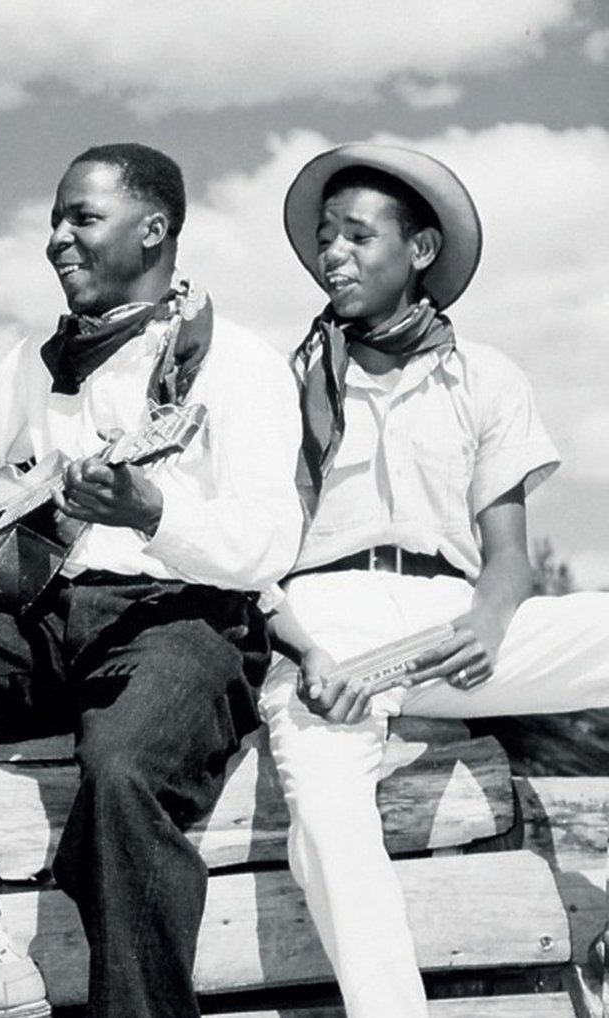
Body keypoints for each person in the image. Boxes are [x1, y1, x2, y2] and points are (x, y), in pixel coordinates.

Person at [0, 143, 303, 1018]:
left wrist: (155, 514)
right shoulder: (37, 359)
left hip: (184, 624)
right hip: (49, 616)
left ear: (153, 229)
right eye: (55, 221)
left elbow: (270, 543)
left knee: (122, 773)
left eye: (82, 218)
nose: (56, 238)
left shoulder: (240, 363)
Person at [259, 143, 609, 1018]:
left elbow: (508, 554)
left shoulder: (484, 375)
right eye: (325, 237)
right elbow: (251, 555)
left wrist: (489, 621)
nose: (333, 253)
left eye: (357, 235)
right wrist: (301, 649)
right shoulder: (283, 382)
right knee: (327, 817)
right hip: (328, 625)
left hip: (452, 616)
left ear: (419, 250)